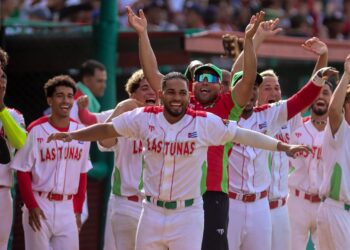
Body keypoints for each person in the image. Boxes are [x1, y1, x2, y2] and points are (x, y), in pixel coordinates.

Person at [48, 72, 312, 250]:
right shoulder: (144, 117)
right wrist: (72, 135)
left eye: (182, 93)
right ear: (162, 95)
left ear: (189, 96)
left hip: (188, 213)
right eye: (171, 92)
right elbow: (107, 130)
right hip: (150, 211)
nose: (177, 97)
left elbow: (245, 135)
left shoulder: (204, 122)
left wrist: (283, 146)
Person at [127, 7, 264, 249]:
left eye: (212, 78)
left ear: (221, 87)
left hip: (213, 193)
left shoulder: (227, 105)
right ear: (192, 84)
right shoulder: (181, 101)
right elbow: (153, 73)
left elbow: (248, 78)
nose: (205, 81)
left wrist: (250, 41)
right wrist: (143, 33)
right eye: (200, 77)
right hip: (178, 196)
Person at [77, 69, 157, 250]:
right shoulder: (119, 115)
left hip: (156, 206)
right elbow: (103, 139)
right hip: (126, 203)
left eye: (154, 88)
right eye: (145, 88)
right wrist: (120, 108)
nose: (151, 92)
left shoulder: (168, 119)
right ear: (132, 94)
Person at [10, 75, 92, 250]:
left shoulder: (82, 133)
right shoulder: (36, 129)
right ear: (49, 100)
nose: (66, 100)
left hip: (67, 207)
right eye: (60, 95)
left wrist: (77, 209)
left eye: (70, 96)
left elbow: (82, 174)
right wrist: (31, 205)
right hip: (40, 202)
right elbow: (22, 170)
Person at [287, 40, 334, 250]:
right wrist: (322, 59)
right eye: (318, 92)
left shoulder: (338, 132)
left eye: (326, 93)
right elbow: (308, 92)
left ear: (333, 98)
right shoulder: (296, 123)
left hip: (326, 203)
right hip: (296, 201)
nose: (320, 96)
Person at [317, 54, 350, 250]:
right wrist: (347, 74)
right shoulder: (340, 129)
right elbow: (333, 112)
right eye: (349, 99)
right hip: (337, 210)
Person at [0, 48, 26, 250]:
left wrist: (0, 108)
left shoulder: (13, 115)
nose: (1, 81)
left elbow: (21, 144)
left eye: (3, 77)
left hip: (2, 193)